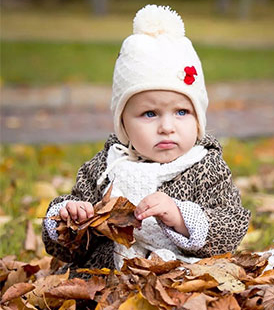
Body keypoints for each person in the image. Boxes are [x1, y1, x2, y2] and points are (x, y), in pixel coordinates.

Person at [42, 4, 251, 275]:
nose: (166, 127)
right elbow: (64, 248)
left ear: (199, 119)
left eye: (181, 112)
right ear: (124, 125)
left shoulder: (206, 167)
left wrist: (181, 218)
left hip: (180, 277)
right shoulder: (106, 168)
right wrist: (71, 219)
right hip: (108, 279)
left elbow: (231, 226)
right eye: (149, 113)